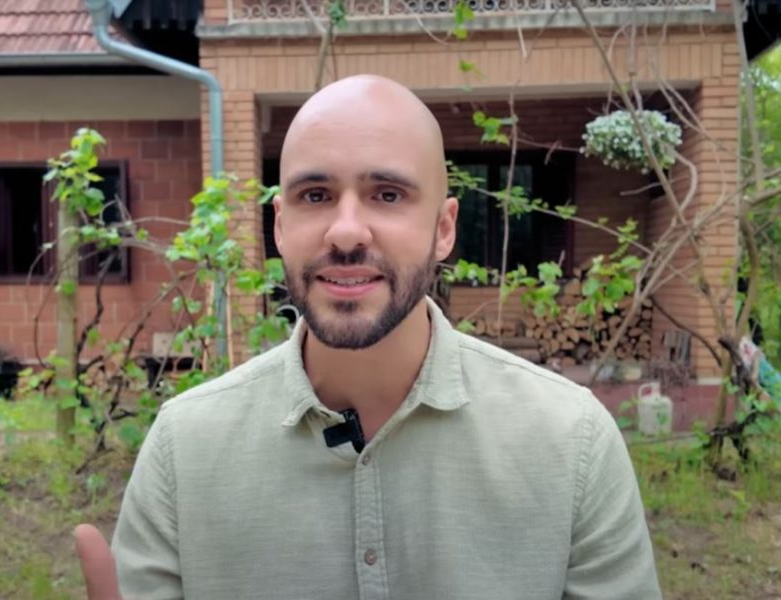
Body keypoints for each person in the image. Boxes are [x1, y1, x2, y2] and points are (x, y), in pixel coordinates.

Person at [74, 74, 662, 599]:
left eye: (387, 195)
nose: (347, 232)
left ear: (444, 228)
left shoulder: (571, 444)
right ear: (280, 226)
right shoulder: (184, 450)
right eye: (315, 196)